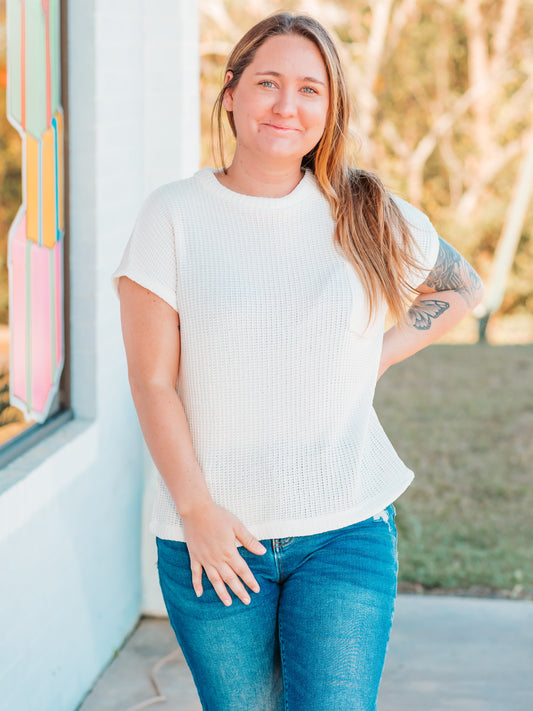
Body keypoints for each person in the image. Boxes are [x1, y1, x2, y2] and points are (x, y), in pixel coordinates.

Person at [111, 12, 483, 711]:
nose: (287, 105)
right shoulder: (172, 216)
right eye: (268, 83)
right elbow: (152, 380)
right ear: (230, 93)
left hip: (344, 529)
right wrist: (195, 508)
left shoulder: (366, 211)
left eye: (310, 89)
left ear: (330, 105)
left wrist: (373, 355)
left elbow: (461, 287)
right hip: (213, 539)